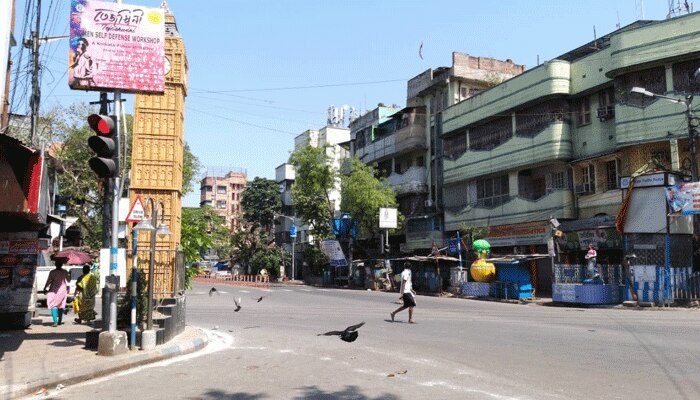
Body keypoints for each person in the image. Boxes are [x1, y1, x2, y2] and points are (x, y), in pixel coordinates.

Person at [43, 257, 70, 327]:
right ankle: (59, 322)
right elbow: (68, 280)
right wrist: (69, 274)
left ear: (55, 264)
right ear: (62, 265)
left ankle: (55, 322)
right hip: (63, 290)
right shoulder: (65, 271)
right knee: (61, 306)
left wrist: (45, 288)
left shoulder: (52, 272)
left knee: (53, 305)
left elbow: (48, 281)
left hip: (54, 290)